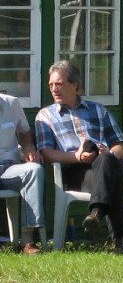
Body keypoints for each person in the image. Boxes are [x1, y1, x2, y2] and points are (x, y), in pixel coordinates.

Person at [34, 60, 123, 255]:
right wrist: (77, 157)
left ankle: (96, 214)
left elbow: (118, 145)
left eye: (59, 84)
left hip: (105, 163)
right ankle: (120, 240)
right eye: (51, 85)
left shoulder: (98, 110)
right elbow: (46, 153)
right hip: (76, 171)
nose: (54, 89)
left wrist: (110, 156)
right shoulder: (45, 116)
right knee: (109, 176)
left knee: (106, 160)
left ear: (74, 85)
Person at [0, 93, 45, 255]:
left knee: (34, 170)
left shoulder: (12, 103)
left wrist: (28, 148)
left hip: (9, 168)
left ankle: (27, 239)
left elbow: (25, 133)